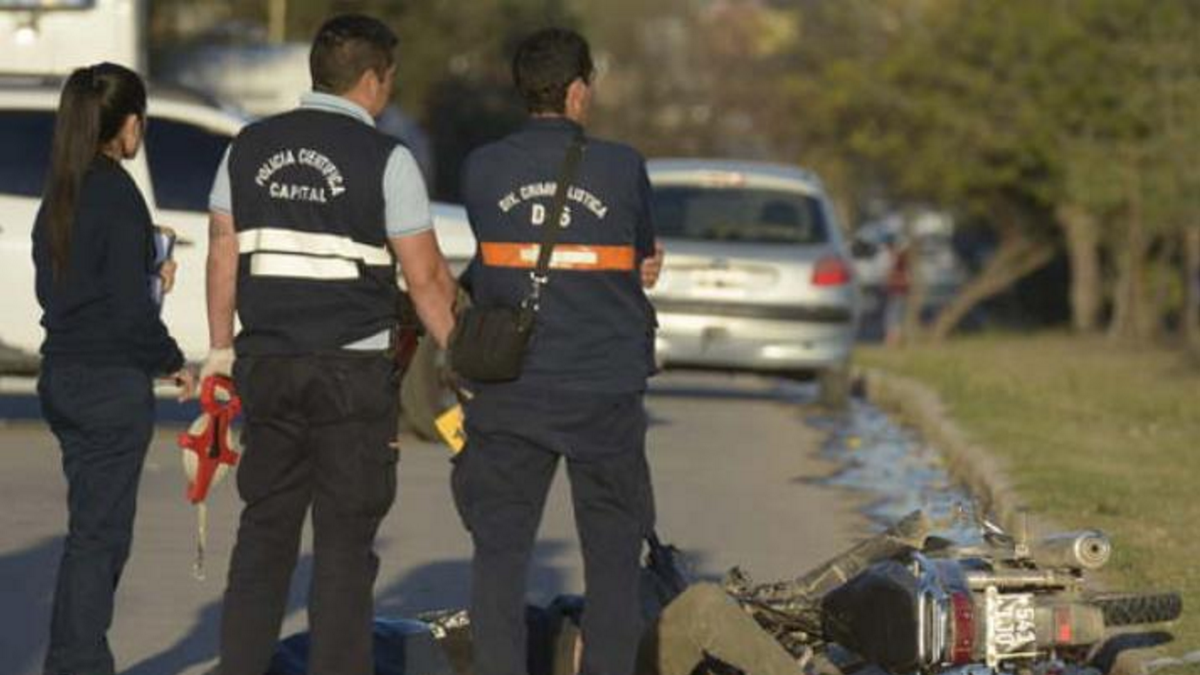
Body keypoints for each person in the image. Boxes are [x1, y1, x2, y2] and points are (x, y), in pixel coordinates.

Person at [204, 14, 457, 675]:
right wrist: (466, 359)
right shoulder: (386, 159)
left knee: (264, 536)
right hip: (351, 371)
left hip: (268, 365)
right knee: (344, 548)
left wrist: (217, 350)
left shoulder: (248, 146)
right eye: (389, 80)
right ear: (373, 79)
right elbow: (426, 278)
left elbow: (223, 250)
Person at [453, 27, 664, 675]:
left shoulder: (482, 167)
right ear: (577, 91)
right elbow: (642, 257)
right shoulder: (622, 166)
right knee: (612, 554)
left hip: (512, 387)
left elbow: (493, 261)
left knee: (499, 554)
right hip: (604, 387)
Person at [33, 62, 197, 675]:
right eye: (142, 121)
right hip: (108, 386)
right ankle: (77, 662)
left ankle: (72, 657)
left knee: (89, 532)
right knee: (101, 539)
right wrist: (174, 362)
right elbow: (128, 313)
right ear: (128, 124)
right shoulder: (120, 196)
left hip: (63, 377)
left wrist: (147, 272)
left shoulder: (63, 191)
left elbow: (63, 292)